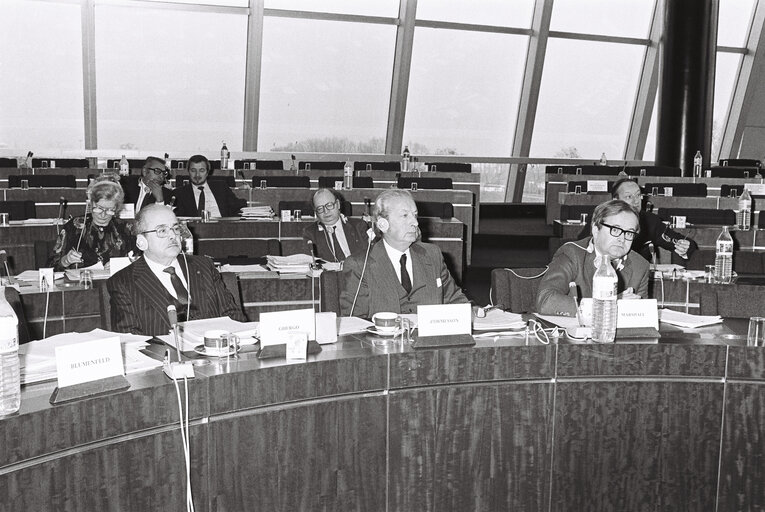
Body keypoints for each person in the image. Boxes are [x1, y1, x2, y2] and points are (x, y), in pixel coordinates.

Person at [108, 204, 245, 336]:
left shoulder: (204, 266)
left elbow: (233, 316)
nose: (173, 236)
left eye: (176, 228)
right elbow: (130, 338)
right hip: (164, 358)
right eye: (162, 231)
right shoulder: (123, 282)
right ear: (141, 241)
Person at [339, 189, 468, 318]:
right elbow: (356, 323)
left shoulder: (432, 254)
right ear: (383, 223)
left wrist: (472, 314)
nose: (415, 223)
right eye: (405, 215)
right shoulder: (359, 266)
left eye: (415, 215)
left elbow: (455, 301)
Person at [538, 199, 649, 316]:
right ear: (596, 230)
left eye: (629, 233)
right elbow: (545, 300)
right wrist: (608, 305)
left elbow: (642, 315)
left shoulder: (640, 265)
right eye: (615, 230)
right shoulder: (571, 254)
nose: (622, 239)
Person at [579, 178, 698, 263]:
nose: (636, 201)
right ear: (615, 199)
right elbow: (582, 247)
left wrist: (684, 247)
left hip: (637, 278)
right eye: (629, 197)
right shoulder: (601, 218)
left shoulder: (650, 221)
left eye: (638, 195)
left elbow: (683, 242)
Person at [48, 177, 136, 271]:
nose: (103, 215)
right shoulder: (74, 226)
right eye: (99, 208)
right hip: (79, 284)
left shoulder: (126, 229)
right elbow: (50, 267)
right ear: (91, 203)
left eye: (110, 210)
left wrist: (124, 265)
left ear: (117, 208)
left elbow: (141, 263)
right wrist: (66, 261)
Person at [302, 188, 370, 262]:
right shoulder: (310, 233)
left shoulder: (359, 226)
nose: (326, 211)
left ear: (338, 204)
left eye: (329, 205)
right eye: (320, 208)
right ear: (316, 212)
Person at [170, 154, 246, 218]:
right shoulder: (179, 193)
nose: (197, 175)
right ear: (188, 172)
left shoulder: (221, 187)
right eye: (193, 170)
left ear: (207, 172)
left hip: (222, 229)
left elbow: (237, 207)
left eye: (201, 170)